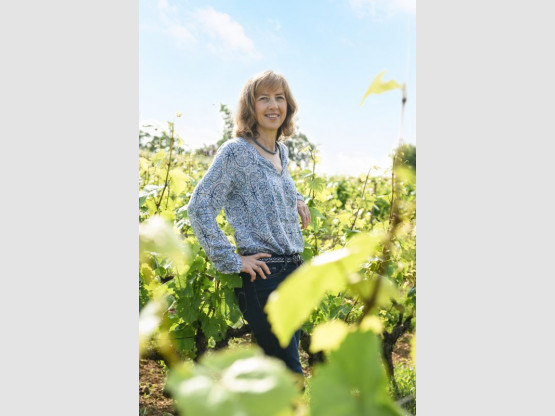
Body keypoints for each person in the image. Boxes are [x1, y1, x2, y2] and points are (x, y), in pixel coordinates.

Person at [187, 70, 311, 376]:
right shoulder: (236, 153)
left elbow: (274, 184)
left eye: (279, 98)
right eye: (264, 98)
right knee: (290, 375)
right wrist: (231, 259)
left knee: (278, 373)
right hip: (265, 277)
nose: (273, 105)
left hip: (295, 271)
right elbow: (199, 206)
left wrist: (295, 198)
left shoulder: (281, 151)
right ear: (250, 107)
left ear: (288, 106)